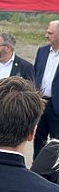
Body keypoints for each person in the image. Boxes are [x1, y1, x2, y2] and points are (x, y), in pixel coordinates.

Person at [33, 20, 59, 158]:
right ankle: (37, 171)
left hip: (57, 107)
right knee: (38, 140)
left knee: (57, 143)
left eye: (50, 33)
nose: (46, 35)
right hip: (40, 103)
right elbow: (35, 74)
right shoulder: (42, 51)